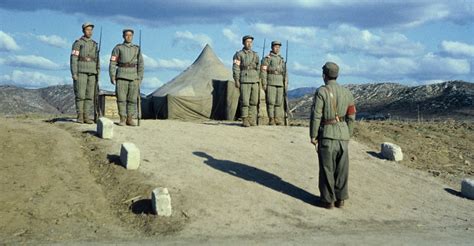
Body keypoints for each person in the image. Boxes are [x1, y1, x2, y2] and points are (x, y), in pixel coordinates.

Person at [309, 62, 356, 209]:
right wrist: (348, 133)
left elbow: (316, 115)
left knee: (327, 169)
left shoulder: (321, 92)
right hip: (343, 135)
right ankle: (340, 199)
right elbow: (352, 116)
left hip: (327, 135)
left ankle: (327, 200)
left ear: (324, 75)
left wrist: (313, 135)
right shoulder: (347, 92)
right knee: (342, 169)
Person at [109, 28, 144, 126]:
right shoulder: (118, 48)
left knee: (132, 99)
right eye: (126, 35)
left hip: (133, 77)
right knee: (121, 99)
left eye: (130, 35)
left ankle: (130, 118)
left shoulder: (137, 49)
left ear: (133, 36)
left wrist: (140, 77)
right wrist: (112, 75)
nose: (129, 37)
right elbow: (112, 62)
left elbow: (141, 64)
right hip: (121, 76)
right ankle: (122, 119)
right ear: (123, 36)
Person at [70, 22, 99, 124]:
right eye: (87, 30)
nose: (89, 32)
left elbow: (97, 59)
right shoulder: (78, 43)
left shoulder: (94, 44)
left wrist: (97, 71)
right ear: (83, 31)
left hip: (92, 72)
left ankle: (86, 116)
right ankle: (80, 116)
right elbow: (74, 58)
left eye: (91, 30)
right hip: (81, 71)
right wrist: (74, 72)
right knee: (80, 95)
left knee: (89, 96)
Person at [232, 35, 260, 127]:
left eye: (251, 42)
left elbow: (258, 67)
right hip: (244, 79)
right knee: (245, 101)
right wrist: (236, 79)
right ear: (243, 43)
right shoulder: (239, 54)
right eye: (247, 42)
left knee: (254, 101)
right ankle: (245, 119)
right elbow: (236, 68)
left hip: (254, 80)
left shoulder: (255, 55)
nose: (249, 44)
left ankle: (252, 119)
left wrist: (259, 78)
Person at [260, 41, 287, 125]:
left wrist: (286, 82)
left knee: (278, 102)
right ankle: (271, 118)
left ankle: (277, 118)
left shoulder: (281, 59)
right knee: (271, 101)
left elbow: (285, 72)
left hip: (280, 82)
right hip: (271, 81)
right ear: (272, 47)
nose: (277, 48)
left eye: (278, 47)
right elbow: (263, 71)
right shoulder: (267, 58)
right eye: (275, 47)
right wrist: (264, 83)